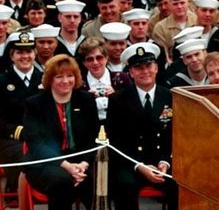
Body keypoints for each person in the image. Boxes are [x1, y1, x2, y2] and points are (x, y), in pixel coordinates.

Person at [23, 54, 99, 209]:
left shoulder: (87, 100)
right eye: (59, 76)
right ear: (50, 79)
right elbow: (36, 144)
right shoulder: (34, 104)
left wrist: (82, 165)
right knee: (62, 182)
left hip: (81, 161)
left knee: (95, 181)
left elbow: (94, 138)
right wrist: (67, 166)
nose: (65, 81)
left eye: (70, 76)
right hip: (46, 163)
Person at [107, 42, 177, 210]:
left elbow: (174, 135)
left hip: (162, 161)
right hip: (131, 162)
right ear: (130, 72)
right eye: (138, 67)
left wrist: (165, 162)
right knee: (124, 185)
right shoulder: (118, 100)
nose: (145, 71)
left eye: (148, 66)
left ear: (156, 68)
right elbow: (115, 141)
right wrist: (139, 165)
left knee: (181, 184)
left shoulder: (170, 96)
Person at [0, 32, 43, 191]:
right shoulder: (2, 82)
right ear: (12, 56)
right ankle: (20, 190)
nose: (25, 56)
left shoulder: (45, 79)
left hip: (42, 137)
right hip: (12, 139)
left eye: (29, 52)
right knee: (23, 157)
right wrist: (22, 132)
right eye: (20, 52)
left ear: (35, 54)